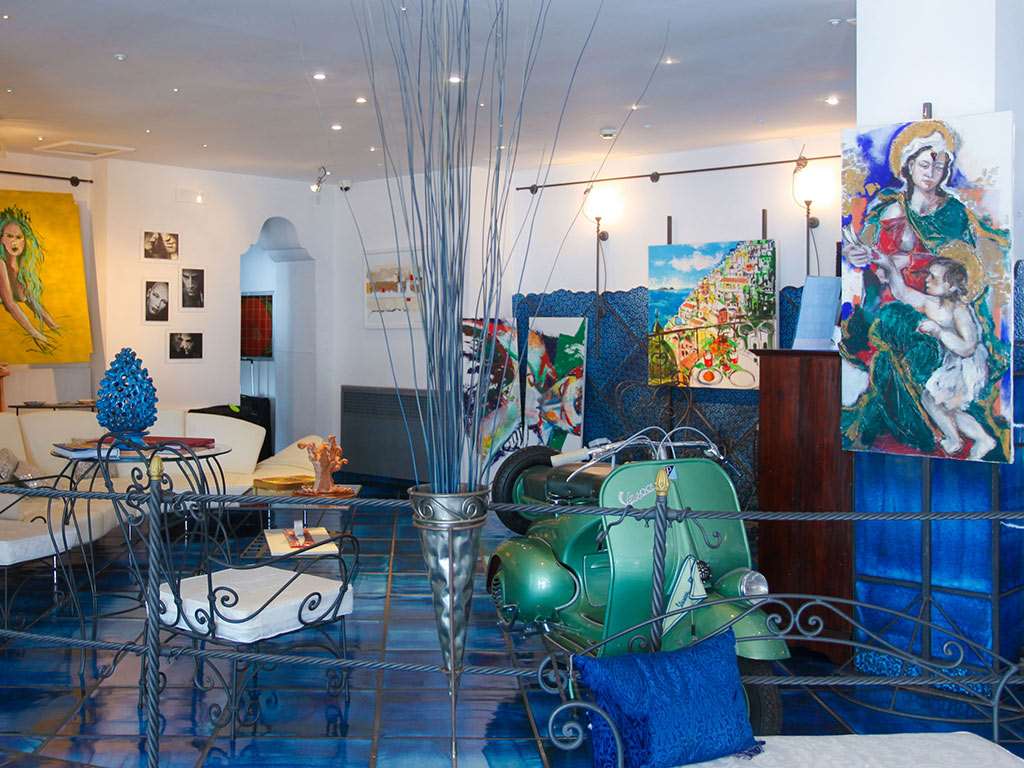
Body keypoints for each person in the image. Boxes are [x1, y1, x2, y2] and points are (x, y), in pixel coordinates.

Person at [840, 120, 1011, 460]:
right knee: (886, 336)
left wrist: (906, 260)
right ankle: (910, 428)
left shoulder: (953, 214)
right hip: (895, 298)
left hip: (936, 306)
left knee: (921, 361)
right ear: (908, 165)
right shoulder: (889, 208)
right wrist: (862, 256)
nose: (931, 173)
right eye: (924, 165)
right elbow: (874, 259)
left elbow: (961, 265)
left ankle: (944, 433)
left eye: (939, 166)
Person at [872, 252, 995, 460]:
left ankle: (962, 439)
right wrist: (888, 264)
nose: (927, 280)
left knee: (933, 400)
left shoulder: (960, 310)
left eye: (934, 278)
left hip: (967, 366)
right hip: (953, 363)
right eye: (928, 275)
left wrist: (939, 331)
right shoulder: (932, 302)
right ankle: (971, 439)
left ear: (951, 286)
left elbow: (968, 347)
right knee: (942, 404)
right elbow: (902, 293)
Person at [0, 206, 59, 353]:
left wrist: (54, 326)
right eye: (9, 236)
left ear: (25, 241)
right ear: (1, 238)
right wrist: (36, 334)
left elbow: (28, 298)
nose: (14, 242)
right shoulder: (0, 263)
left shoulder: (19, 267)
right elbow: (10, 304)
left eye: (18, 237)